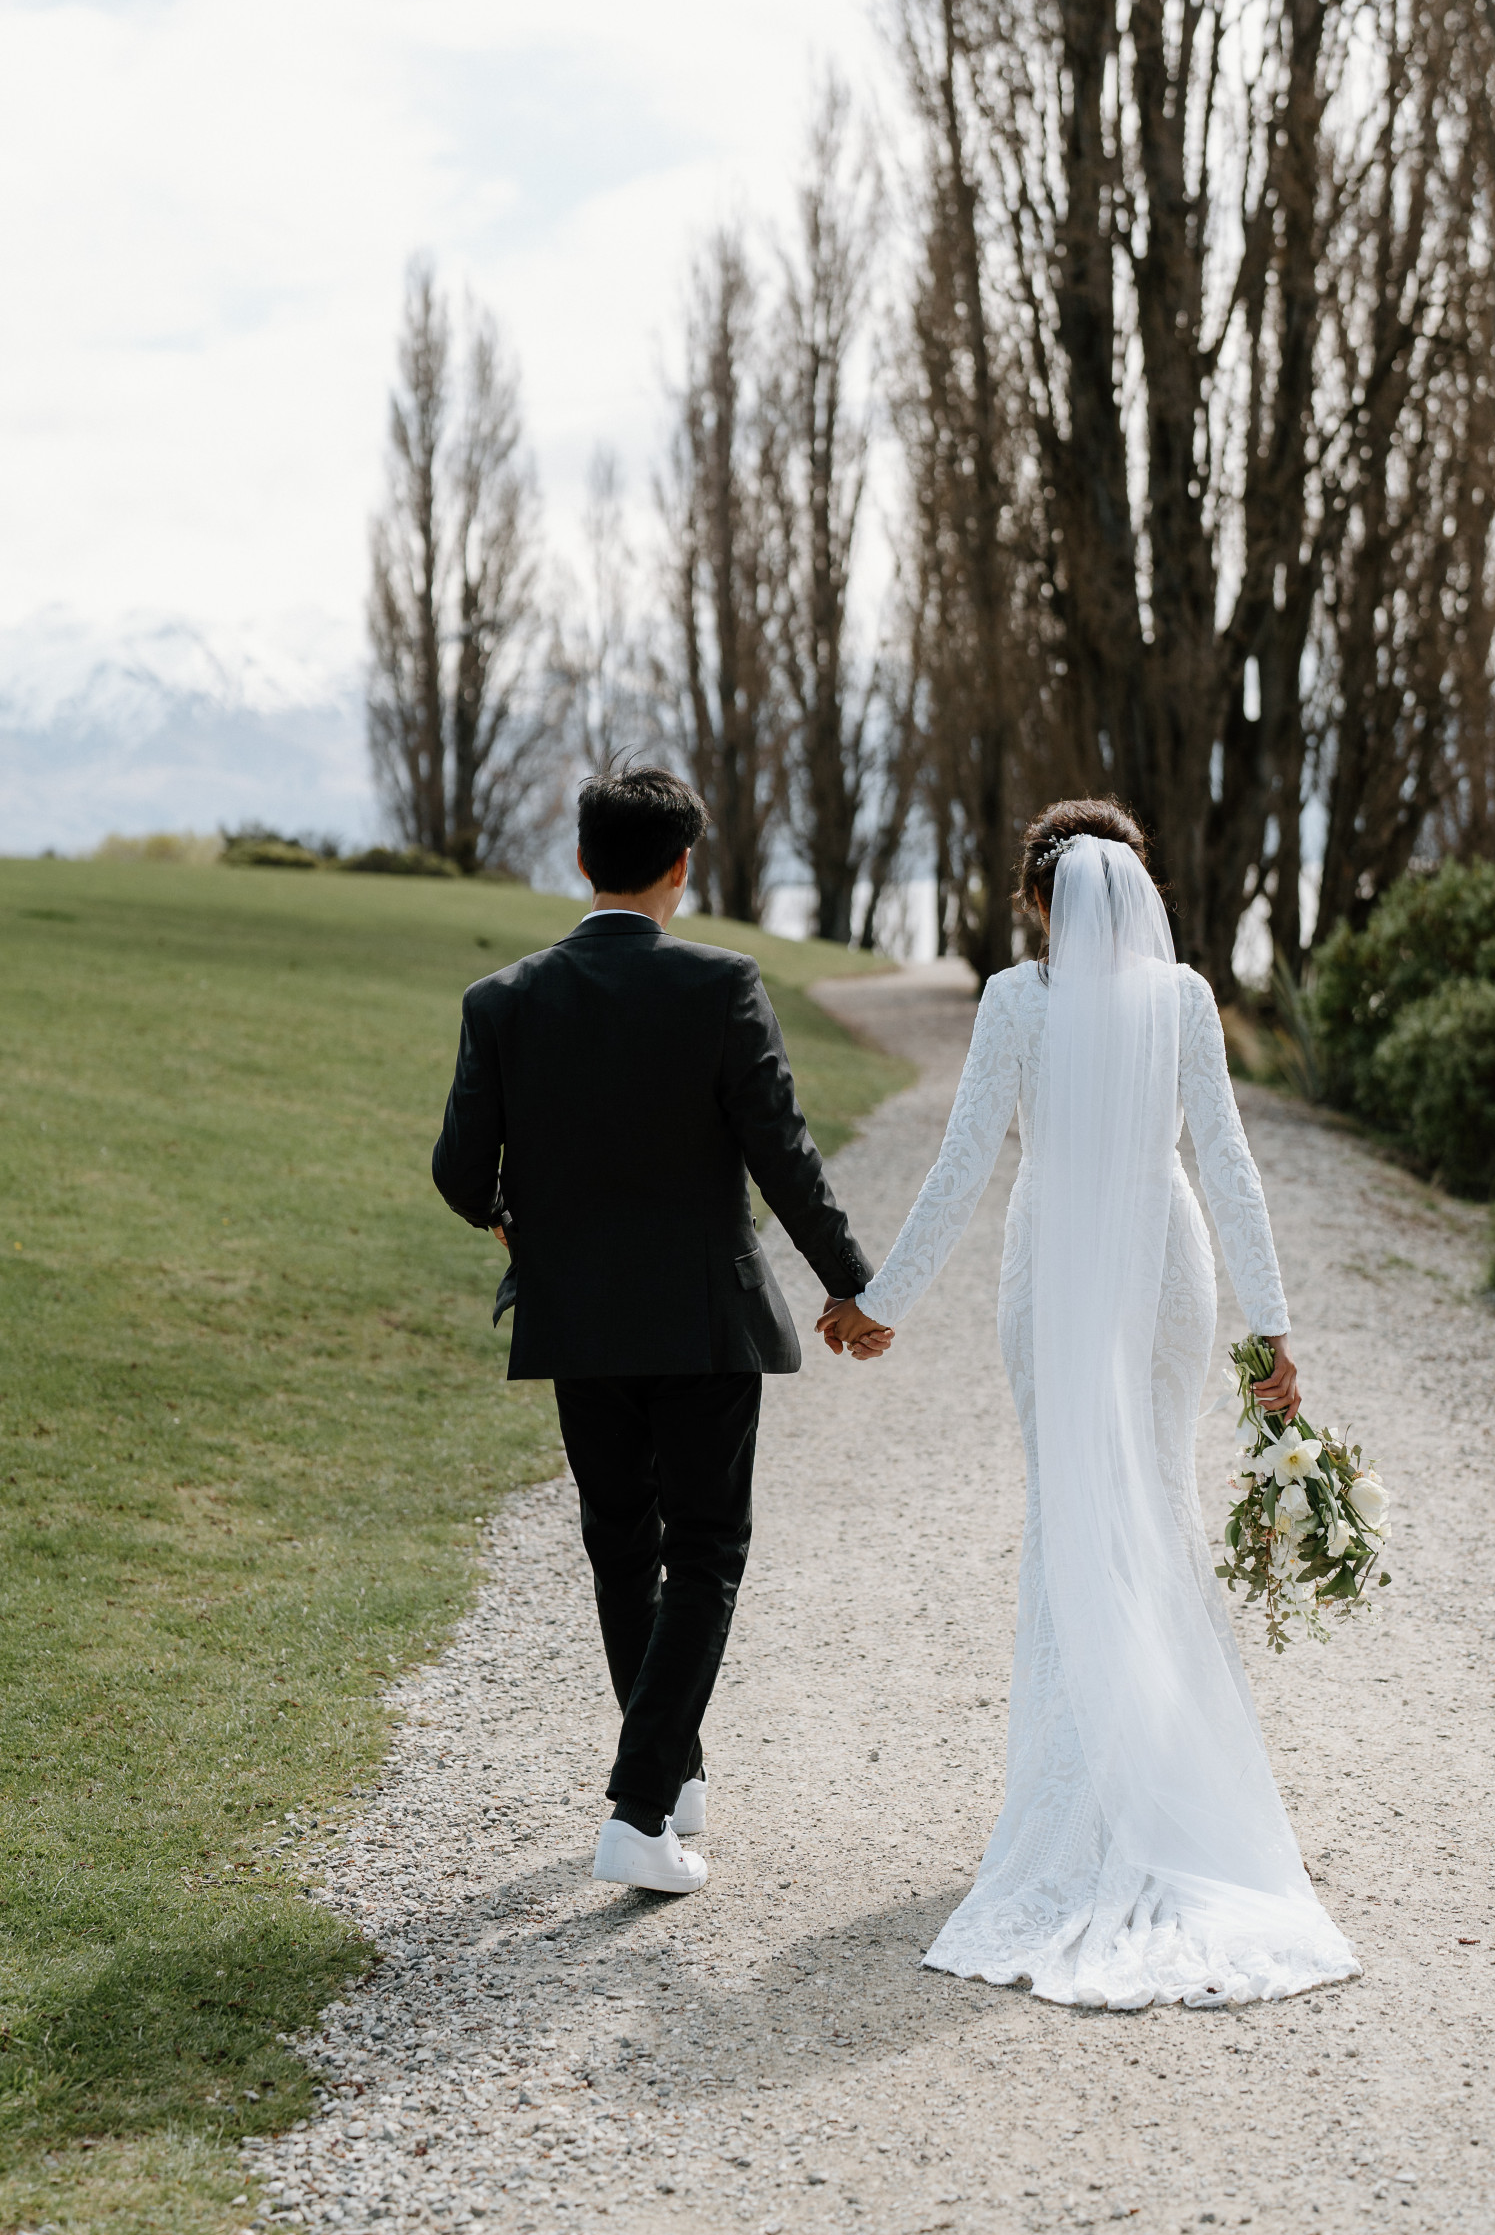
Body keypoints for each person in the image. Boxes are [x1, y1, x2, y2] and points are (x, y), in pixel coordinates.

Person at [821, 797, 1360, 2008]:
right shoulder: (1182, 998)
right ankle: (1163, 1786)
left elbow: (963, 1160)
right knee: (1152, 1502)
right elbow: (1223, 1157)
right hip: (1169, 1266)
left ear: (1034, 901)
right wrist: (1272, 1322)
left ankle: (1089, 1803)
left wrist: (882, 1298)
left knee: (1076, 1506)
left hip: (1051, 1264)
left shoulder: (1016, 1001)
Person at [431, 764, 891, 1896]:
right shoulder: (721, 985)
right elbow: (783, 1156)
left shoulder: (502, 999)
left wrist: (509, 1219)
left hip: (577, 1325)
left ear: (583, 861)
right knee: (707, 1552)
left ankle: (673, 1773)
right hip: (700, 1321)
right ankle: (637, 1816)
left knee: (623, 1548)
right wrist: (854, 1285)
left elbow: (457, 1170)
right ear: (679, 867)